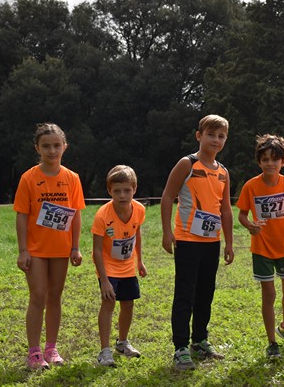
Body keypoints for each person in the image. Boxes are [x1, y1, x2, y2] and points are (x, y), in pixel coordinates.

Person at [160, 114, 235, 371]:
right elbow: (168, 196)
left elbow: (226, 210)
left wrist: (229, 243)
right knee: (185, 294)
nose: (216, 140)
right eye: (211, 134)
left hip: (212, 242)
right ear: (199, 136)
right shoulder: (187, 163)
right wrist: (166, 232)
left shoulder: (223, 172)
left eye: (221, 136)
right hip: (187, 241)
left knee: (206, 292)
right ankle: (180, 347)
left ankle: (199, 340)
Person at [14, 123, 85, 370]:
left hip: (61, 250)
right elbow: (22, 215)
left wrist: (75, 247)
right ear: (38, 148)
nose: (52, 151)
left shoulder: (72, 178)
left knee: (55, 297)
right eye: (46, 146)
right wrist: (23, 250)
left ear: (64, 147)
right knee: (38, 296)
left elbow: (76, 214)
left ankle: (51, 349)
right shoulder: (29, 178)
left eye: (56, 145)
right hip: (35, 250)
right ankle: (34, 353)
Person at [236, 134, 284, 360]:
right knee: (269, 294)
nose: (270, 163)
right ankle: (271, 342)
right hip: (262, 249)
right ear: (259, 162)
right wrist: (249, 225)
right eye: (265, 159)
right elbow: (242, 215)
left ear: (283, 161)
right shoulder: (251, 186)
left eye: (275, 159)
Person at [91, 165, 147, 367]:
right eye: (117, 191)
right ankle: (104, 351)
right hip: (107, 267)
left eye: (127, 190)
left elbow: (136, 234)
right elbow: (96, 250)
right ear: (109, 191)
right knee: (109, 303)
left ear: (134, 188)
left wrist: (139, 260)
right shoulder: (102, 216)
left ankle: (122, 343)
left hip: (127, 266)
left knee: (128, 303)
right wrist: (104, 280)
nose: (122, 195)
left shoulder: (139, 209)